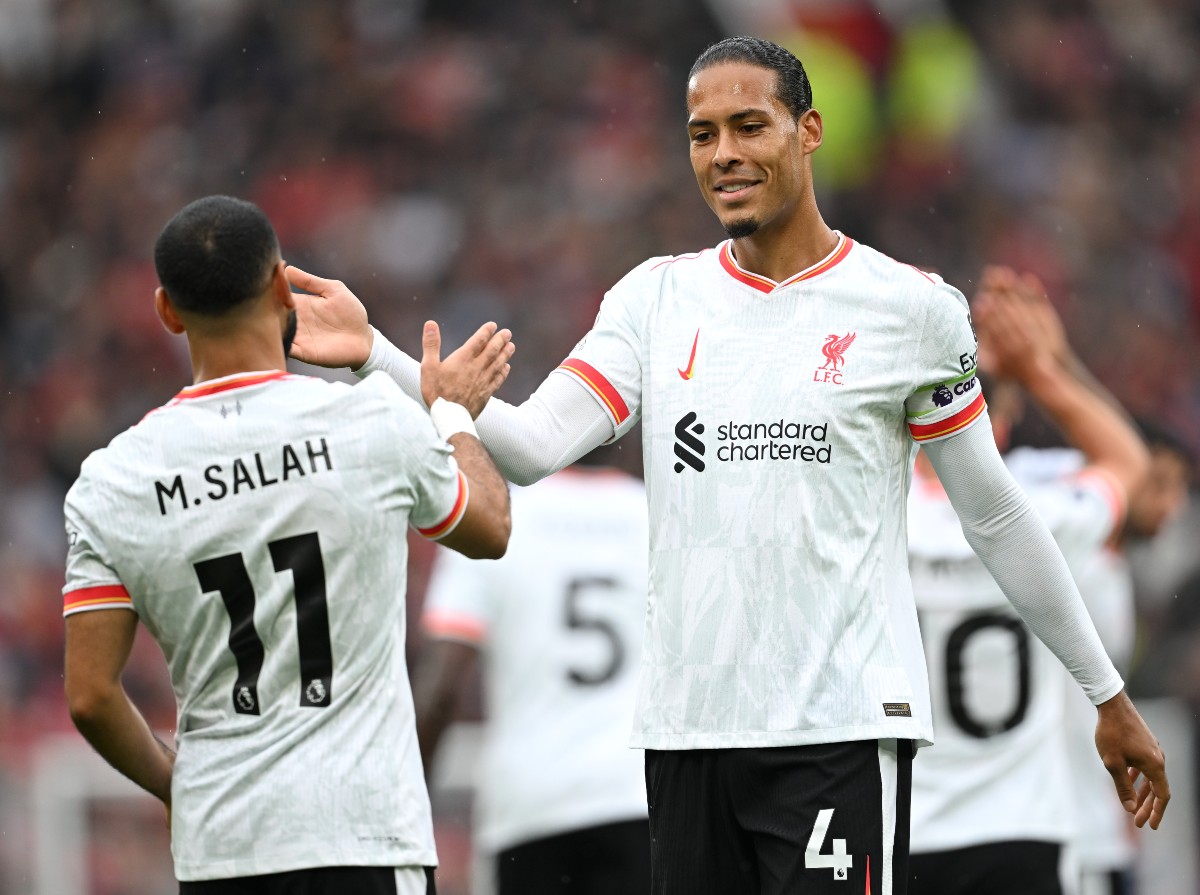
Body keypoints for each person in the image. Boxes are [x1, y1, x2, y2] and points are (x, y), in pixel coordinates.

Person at [286, 37, 1169, 895]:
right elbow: (524, 449)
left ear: (809, 131)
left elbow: (997, 515)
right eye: (703, 135)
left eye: (750, 126)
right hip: (687, 735)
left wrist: (1106, 692)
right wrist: (376, 354)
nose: (724, 154)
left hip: (841, 732)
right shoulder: (654, 300)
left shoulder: (910, 309)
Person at [61, 195, 515, 895]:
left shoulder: (113, 479)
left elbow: (91, 695)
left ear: (167, 311)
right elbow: (489, 528)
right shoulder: (370, 421)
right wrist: (450, 409)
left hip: (224, 847)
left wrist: (177, 787)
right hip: (361, 836)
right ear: (281, 286)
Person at [906, 267, 1150, 895]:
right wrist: (1043, 369)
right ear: (999, 426)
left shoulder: (871, 523)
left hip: (905, 829)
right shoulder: (1037, 521)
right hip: (1023, 827)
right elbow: (1129, 465)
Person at [415, 441, 650, 895]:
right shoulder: (658, 520)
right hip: (640, 798)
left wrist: (406, 805)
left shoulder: (495, 521)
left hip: (531, 806)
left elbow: (441, 686)